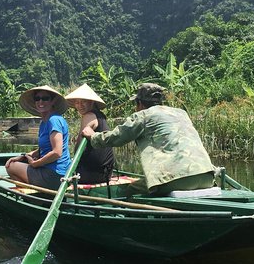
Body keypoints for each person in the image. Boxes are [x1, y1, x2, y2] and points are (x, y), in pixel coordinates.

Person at [82, 83, 215, 196]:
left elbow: (117, 137)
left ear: (139, 103)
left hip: (177, 179)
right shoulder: (181, 113)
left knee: (127, 191)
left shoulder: (143, 116)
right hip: (207, 175)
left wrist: (93, 136)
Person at [5, 85, 71, 190]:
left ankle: (31, 197)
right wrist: (24, 156)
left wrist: (36, 164)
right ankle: (35, 193)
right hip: (51, 172)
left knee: (10, 167)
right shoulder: (44, 122)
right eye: (37, 99)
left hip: (56, 175)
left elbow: (57, 152)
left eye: (45, 98)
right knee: (14, 161)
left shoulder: (53, 120)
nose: (41, 102)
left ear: (53, 101)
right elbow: (43, 149)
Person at [65, 84, 115, 184]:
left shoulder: (88, 116)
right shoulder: (101, 116)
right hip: (105, 173)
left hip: (93, 173)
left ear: (91, 102)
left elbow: (79, 147)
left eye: (83, 101)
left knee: (55, 173)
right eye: (77, 102)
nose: (80, 105)